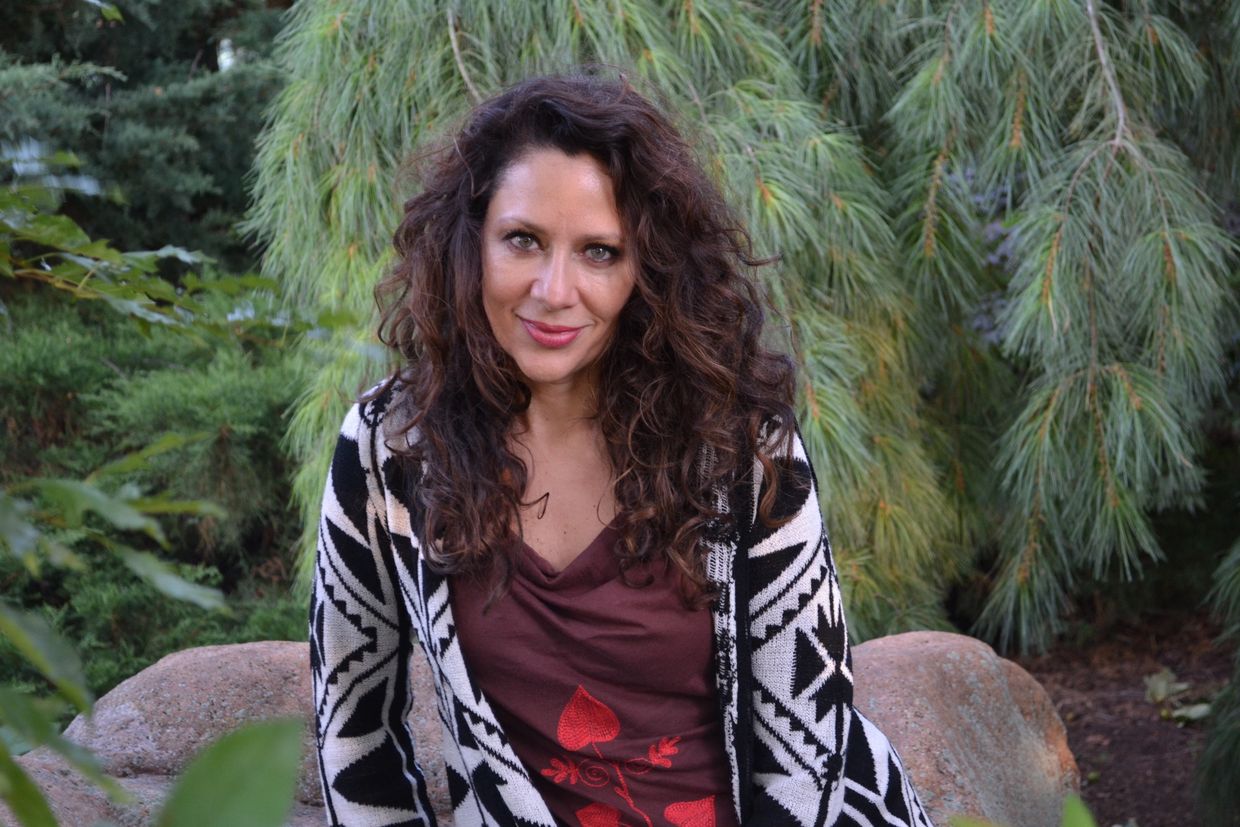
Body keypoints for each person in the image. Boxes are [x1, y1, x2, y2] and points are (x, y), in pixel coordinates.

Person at [310, 72, 933, 827]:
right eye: (523, 240)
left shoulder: (736, 445)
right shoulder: (394, 449)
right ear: (467, 241)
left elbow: (809, 746)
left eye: (600, 252)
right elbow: (354, 725)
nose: (554, 289)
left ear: (648, 269)